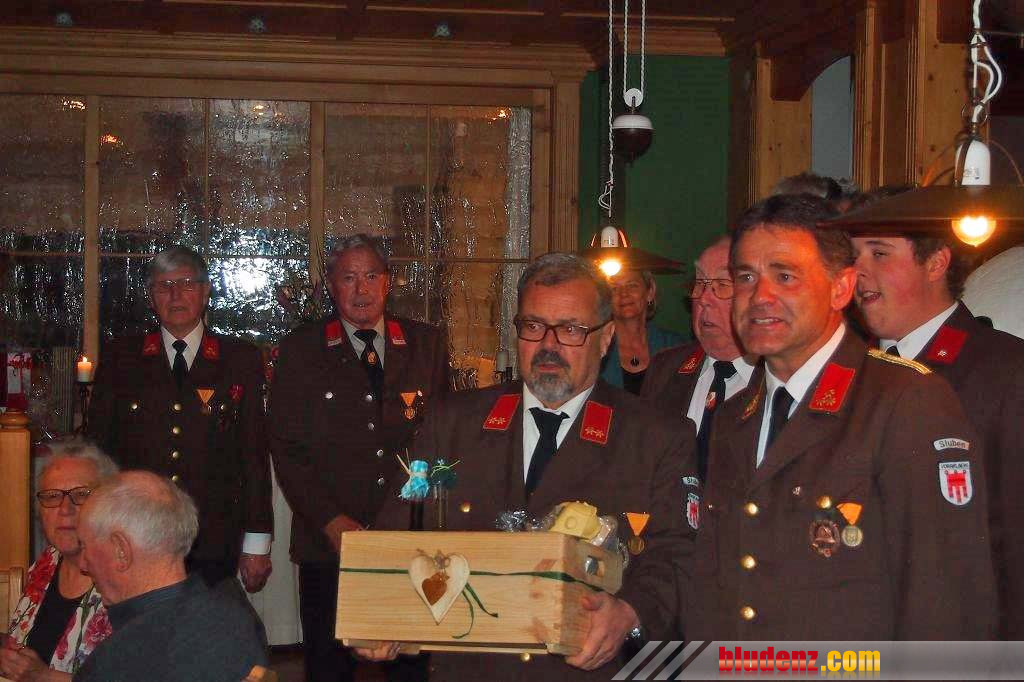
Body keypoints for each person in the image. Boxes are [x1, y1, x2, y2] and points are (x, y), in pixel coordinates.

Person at [362, 252, 697, 680]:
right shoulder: (454, 423)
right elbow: (398, 528)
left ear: (606, 338)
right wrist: (378, 610)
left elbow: (677, 553)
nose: (549, 346)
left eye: (571, 329)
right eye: (534, 326)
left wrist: (630, 612)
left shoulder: (655, 437)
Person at [689, 193, 996, 640]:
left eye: (785, 276)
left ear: (841, 287)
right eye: (746, 277)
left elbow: (945, 601)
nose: (760, 296)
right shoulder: (736, 415)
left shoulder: (904, 400)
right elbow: (716, 586)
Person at [269, 234, 449, 681]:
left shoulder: (425, 344)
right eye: (348, 278)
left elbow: (442, 437)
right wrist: (331, 521)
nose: (361, 289)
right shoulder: (302, 349)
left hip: (408, 541)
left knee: (412, 666)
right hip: (327, 543)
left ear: (388, 282)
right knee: (329, 668)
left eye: (371, 276)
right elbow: (287, 448)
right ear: (331, 285)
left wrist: (410, 516)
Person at [850, 194, 1024, 639]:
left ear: (936, 262)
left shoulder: (1003, 370)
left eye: (879, 253)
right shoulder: (844, 369)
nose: (858, 271)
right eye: (853, 256)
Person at [87, 246, 273, 594]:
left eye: (187, 284)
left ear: (205, 293)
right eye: (164, 286)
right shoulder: (122, 358)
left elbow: (253, 455)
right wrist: (97, 531)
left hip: (213, 536)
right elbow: (99, 453)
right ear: (150, 297)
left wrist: (257, 543)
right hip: (136, 533)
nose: (176, 296)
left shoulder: (239, 359)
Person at [73, 471, 267, 682]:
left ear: (121, 550)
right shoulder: (236, 619)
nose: (82, 564)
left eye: (84, 546)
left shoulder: (118, 660)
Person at [642, 235, 755, 483]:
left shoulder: (776, 376)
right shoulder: (666, 368)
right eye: (700, 283)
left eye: (722, 285)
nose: (703, 299)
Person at [2, 441, 118, 681]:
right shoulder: (49, 561)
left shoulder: (126, 581)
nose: (65, 509)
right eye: (52, 496)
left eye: (81, 495)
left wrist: (45, 677)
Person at [599, 269, 683, 394]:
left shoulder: (674, 345)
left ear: (650, 292)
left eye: (632, 286)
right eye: (614, 288)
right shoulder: (596, 349)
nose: (624, 294)